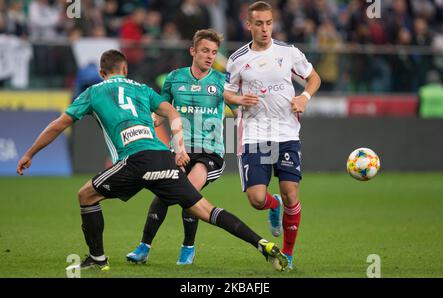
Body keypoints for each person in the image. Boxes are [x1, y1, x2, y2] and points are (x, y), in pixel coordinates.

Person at [16, 49, 288, 272]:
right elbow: (171, 112)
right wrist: (178, 144)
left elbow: (57, 125)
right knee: (204, 209)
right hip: (162, 157)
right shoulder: (142, 89)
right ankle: (262, 244)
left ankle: (98, 258)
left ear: (102, 73)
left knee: (86, 195)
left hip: (134, 160)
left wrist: (29, 154)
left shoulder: (93, 92)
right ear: (125, 70)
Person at [223, 1, 321, 270]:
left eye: (268, 23)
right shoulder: (238, 59)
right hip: (254, 134)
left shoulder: (289, 52)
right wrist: (239, 99)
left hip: (287, 132)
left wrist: (304, 97)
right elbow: (227, 92)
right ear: (249, 25)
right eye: (259, 24)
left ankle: (287, 254)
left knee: (291, 193)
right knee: (256, 199)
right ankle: (272, 204)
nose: (265, 29)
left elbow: (314, 78)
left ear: (273, 23)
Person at [126, 29, 238, 265]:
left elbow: (239, 113)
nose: (210, 56)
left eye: (214, 53)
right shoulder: (174, 78)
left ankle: (188, 248)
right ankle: (144, 247)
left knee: (188, 192)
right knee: (163, 193)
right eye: (205, 51)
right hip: (180, 149)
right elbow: (162, 110)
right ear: (193, 51)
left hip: (209, 152)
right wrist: (152, 121)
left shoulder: (221, 81)